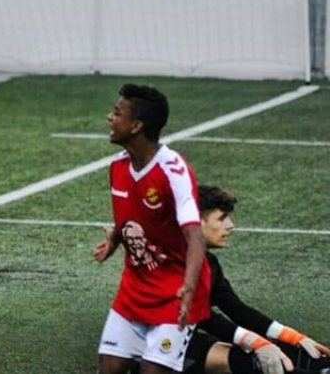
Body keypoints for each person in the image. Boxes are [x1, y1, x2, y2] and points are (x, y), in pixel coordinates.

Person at [93, 84, 212, 374]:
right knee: (110, 366)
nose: (110, 118)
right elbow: (130, 216)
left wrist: (188, 287)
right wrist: (115, 240)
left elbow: (195, 236)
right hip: (134, 288)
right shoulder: (118, 167)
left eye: (117, 113)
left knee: (152, 370)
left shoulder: (174, 170)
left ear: (136, 126)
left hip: (175, 290)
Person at [180, 185, 330, 374]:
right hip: (162, 350)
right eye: (221, 218)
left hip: (187, 339)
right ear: (197, 223)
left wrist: (293, 338)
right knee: (259, 362)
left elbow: (237, 309)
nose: (230, 225)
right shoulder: (174, 264)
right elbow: (202, 316)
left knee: (293, 353)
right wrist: (256, 343)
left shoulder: (208, 263)